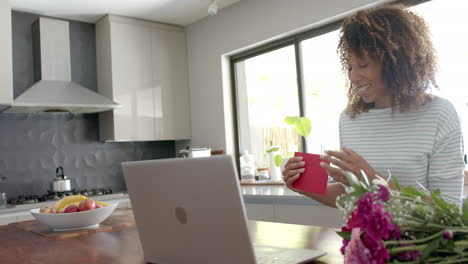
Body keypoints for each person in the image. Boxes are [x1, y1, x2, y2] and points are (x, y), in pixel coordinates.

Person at [282, 4, 465, 208]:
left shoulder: (439, 114)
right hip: (363, 239)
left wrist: (373, 180)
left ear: (396, 62)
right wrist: (302, 184)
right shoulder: (349, 118)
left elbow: (448, 208)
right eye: (350, 67)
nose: (353, 77)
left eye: (363, 65)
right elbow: (353, 196)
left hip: (415, 241)